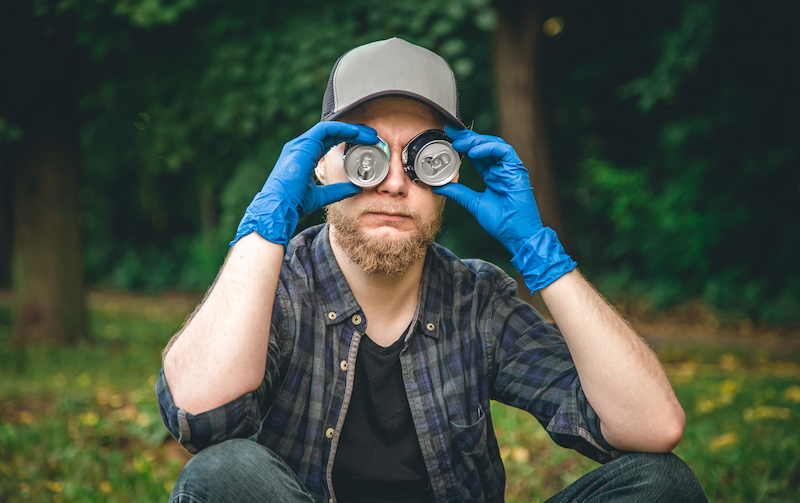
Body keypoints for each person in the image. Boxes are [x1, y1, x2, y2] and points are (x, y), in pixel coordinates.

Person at [156, 37, 707, 503]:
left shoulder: (477, 299)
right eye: (364, 153)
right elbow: (198, 419)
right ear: (322, 162)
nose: (393, 183)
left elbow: (651, 427)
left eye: (423, 159)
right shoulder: (275, 287)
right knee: (223, 472)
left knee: (662, 484)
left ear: (449, 175)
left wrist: (541, 253)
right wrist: (263, 225)